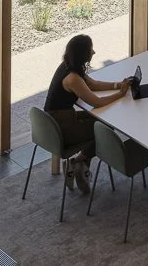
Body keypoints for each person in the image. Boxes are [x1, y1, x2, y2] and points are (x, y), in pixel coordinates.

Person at [44, 33, 131, 195]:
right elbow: (96, 102)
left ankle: (80, 166)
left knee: (102, 123)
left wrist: (119, 85)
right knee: (104, 131)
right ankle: (77, 162)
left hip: (57, 121)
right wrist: (121, 94)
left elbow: (93, 85)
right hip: (63, 128)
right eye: (90, 50)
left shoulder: (67, 66)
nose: (94, 53)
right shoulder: (72, 78)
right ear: (83, 54)